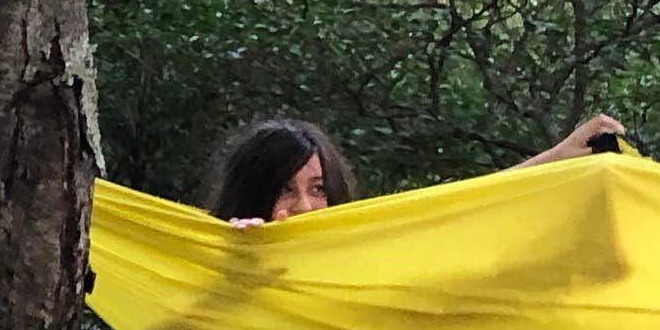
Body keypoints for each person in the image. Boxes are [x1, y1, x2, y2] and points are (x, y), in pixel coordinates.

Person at [203, 111, 626, 226]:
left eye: (318, 189)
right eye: (284, 190)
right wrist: (238, 262)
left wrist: (557, 158)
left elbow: (449, 217)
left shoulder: (352, 249)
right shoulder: (233, 258)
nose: (306, 207)